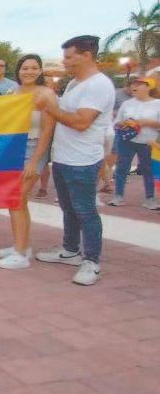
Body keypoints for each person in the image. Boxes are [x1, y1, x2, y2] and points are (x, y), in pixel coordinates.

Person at [37, 35, 115, 286]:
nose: (65, 61)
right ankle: (70, 250)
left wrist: (50, 108)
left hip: (83, 161)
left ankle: (91, 261)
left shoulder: (98, 85)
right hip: (63, 158)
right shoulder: (74, 83)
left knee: (85, 211)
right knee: (68, 208)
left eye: (69, 57)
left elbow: (81, 122)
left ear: (87, 55)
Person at [0, 55, 58, 270]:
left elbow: (47, 131)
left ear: (40, 71)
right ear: (18, 70)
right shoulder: (12, 92)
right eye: (25, 68)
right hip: (13, 148)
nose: (29, 72)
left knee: (17, 199)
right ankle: (21, 246)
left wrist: (34, 162)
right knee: (15, 201)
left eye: (33, 68)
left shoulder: (46, 94)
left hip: (33, 148)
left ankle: (21, 254)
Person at [110, 76, 159, 209]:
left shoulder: (157, 104)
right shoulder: (127, 104)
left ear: (149, 87)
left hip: (148, 143)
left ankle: (150, 199)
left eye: (138, 84)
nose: (134, 86)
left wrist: (148, 122)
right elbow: (116, 122)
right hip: (127, 140)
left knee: (148, 170)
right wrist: (125, 123)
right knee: (121, 168)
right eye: (133, 84)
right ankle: (118, 196)